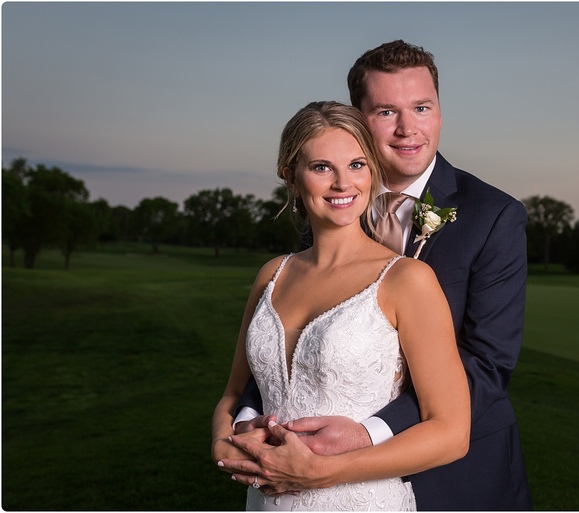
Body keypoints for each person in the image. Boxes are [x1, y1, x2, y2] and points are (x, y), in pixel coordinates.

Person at [219, 40, 532, 510]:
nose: (408, 129)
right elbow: (286, 345)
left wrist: (368, 432)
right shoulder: (331, 204)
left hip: (456, 477)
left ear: (440, 111)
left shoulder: (493, 215)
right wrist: (247, 421)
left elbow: (486, 364)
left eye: (422, 107)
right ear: (358, 119)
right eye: (387, 111)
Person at [211, 100, 471, 511]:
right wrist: (222, 442)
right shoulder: (272, 274)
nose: (342, 183)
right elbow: (233, 393)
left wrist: (322, 472)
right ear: (291, 176)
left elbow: (451, 434)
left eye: (356, 165)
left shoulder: (407, 280)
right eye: (321, 167)